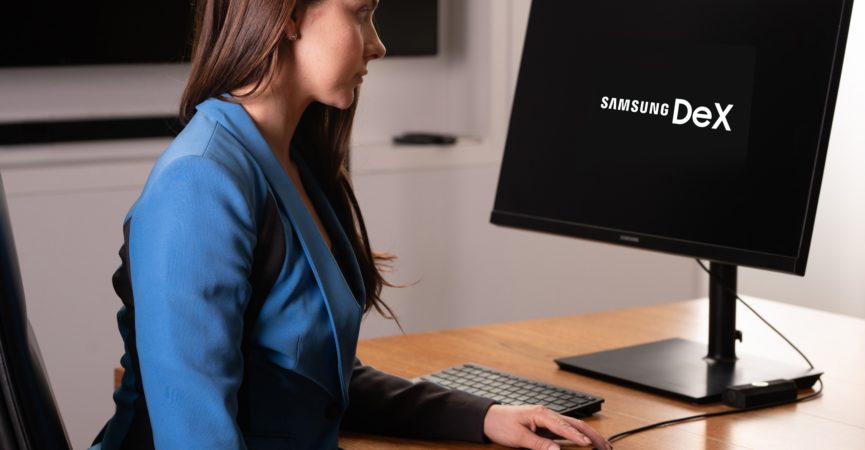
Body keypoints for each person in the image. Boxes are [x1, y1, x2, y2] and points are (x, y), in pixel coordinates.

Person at [90, 0, 612, 449]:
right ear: (289, 15)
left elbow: (314, 381)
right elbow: (195, 435)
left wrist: (483, 415)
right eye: (361, 14)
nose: (377, 44)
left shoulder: (289, 161)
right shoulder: (200, 182)